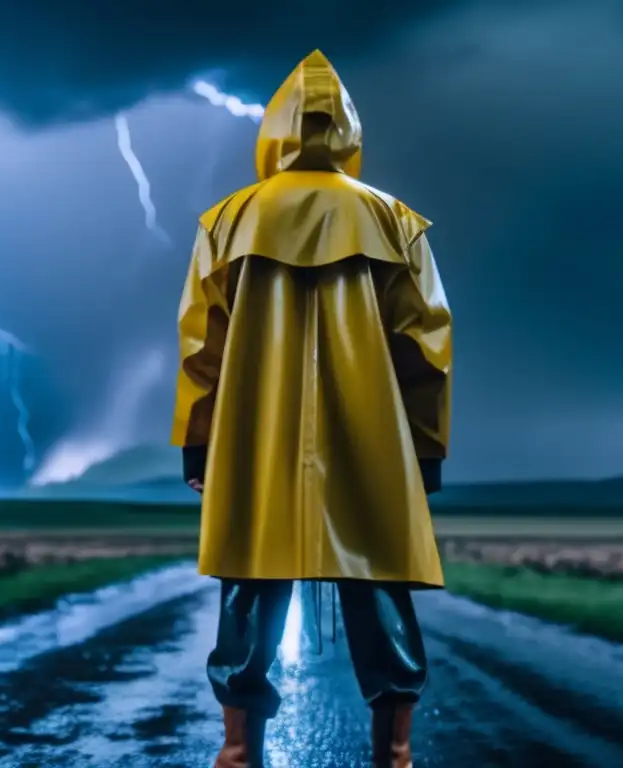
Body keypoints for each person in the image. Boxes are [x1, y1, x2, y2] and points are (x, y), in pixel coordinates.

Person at [171, 49, 452, 768]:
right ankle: (394, 754)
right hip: (372, 438)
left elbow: (201, 342)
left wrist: (200, 444)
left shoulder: (227, 220)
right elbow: (427, 348)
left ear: (272, 129)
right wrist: (424, 450)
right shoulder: (394, 222)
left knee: (249, 579)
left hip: (253, 437)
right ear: (347, 130)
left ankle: (237, 753)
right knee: (381, 580)